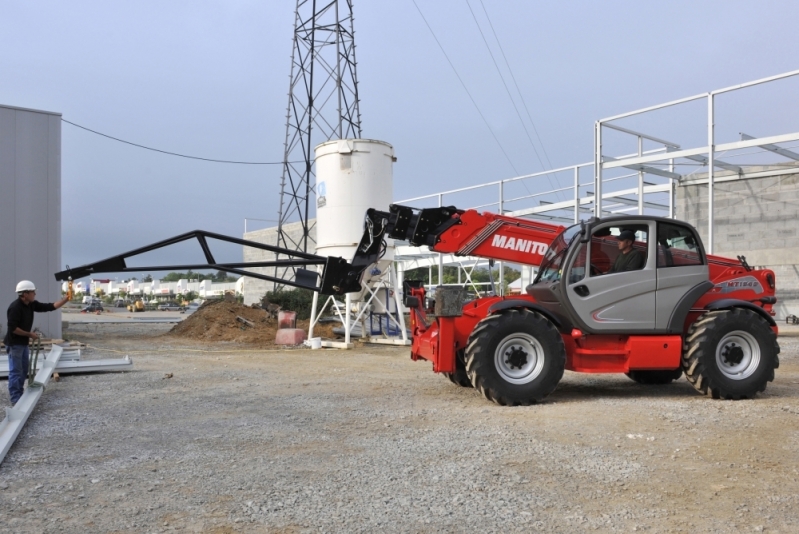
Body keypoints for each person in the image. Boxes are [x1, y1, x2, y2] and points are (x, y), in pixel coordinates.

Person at [4, 280, 69, 406]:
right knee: (16, 371)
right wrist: (29, 334)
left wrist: (66, 299)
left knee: (23, 370)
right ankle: (15, 399)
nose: (35, 294)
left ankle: (19, 394)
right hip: (14, 344)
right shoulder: (15, 307)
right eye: (33, 292)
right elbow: (13, 328)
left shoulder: (31, 304)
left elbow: (50, 307)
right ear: (25, 294)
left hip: (22, 343)